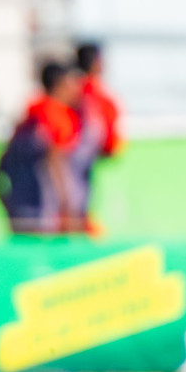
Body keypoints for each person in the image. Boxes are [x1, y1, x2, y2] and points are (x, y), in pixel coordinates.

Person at [0, 61, 86, 235]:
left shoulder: (25, 122)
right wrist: (70, 211)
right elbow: (56, 162)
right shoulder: (57, 118)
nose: (77, 90)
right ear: (60, 85)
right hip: (47, 218)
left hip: (20, 217)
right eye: (72, 83)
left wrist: (10, 209)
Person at [73, 41, 122, 233]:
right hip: (77, 164)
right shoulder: (96, 95)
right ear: (97, 63)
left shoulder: (69, 90)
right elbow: (110, 143)